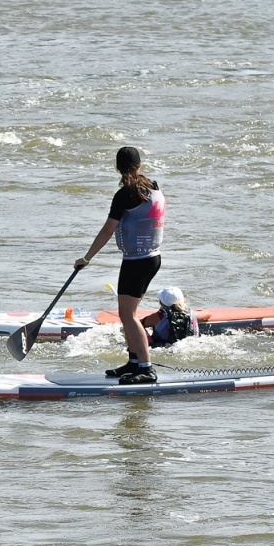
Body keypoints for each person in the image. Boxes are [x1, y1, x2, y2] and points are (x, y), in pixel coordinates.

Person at [76, 146, 166, 384]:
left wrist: (86, 258)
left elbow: (108, 229)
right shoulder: (154, 187)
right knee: (129, 314)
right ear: (139, 165)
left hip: (137, 262)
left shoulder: (125, 194)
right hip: (152, 258)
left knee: (128, 315)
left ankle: (146, 368)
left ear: (117, 168)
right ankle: (134, 361)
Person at [139, 285, 199, 352]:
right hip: (189, 346)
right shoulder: (191, 314)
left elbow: (138, 323)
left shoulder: (158, 316)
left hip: (161, 348)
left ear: (161, 302)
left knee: (138, 327)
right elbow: (207, 315)